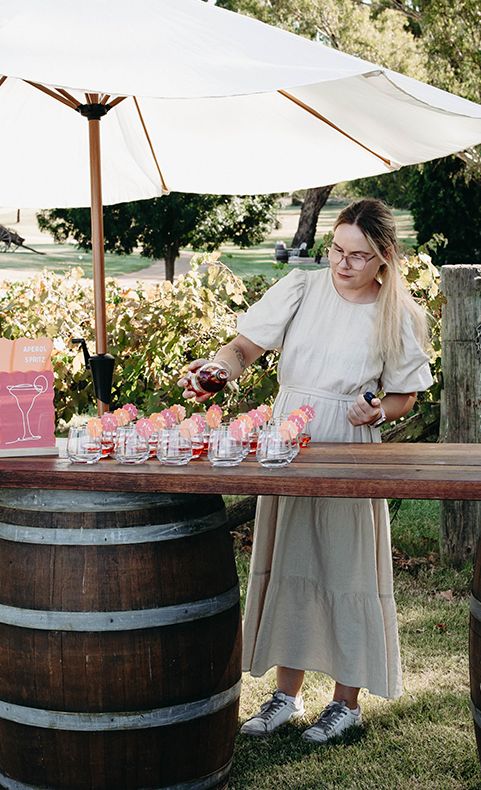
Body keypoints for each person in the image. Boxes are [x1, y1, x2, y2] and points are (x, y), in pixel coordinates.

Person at [179, 199, 432, 743]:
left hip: (349, 445)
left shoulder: (397, 315)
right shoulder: (301, 288)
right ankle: (285, 696)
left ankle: (346, 703)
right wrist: (218, 369)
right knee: (290, 562)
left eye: (358, 256)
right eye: (337, 250)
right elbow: (245, 347)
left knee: (347, 568)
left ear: (384, 259)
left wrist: (377, 409)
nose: (342, 263)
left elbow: (405, 396)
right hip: (286, 440)